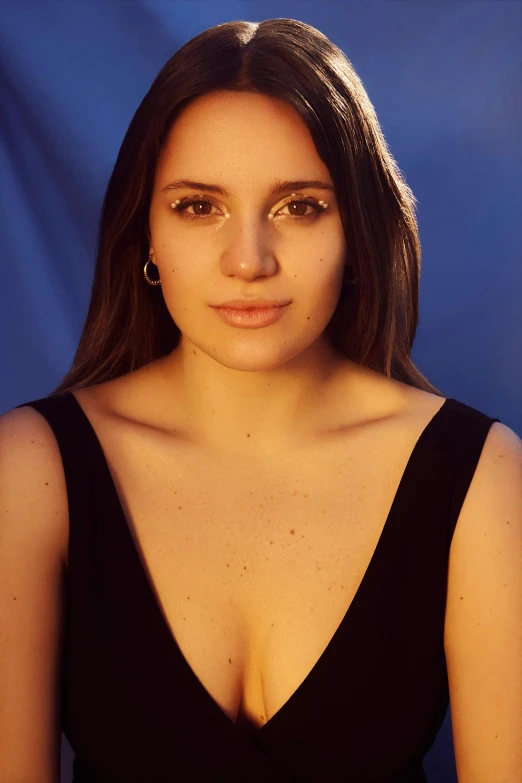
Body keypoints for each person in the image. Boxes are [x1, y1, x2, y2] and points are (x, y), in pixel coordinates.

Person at [1, 17, 520, 783]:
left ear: (357, 232)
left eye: (299, 206)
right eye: (197, 206)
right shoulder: (31, 473)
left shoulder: (480, 481)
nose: (248, 260)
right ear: (146, 232)